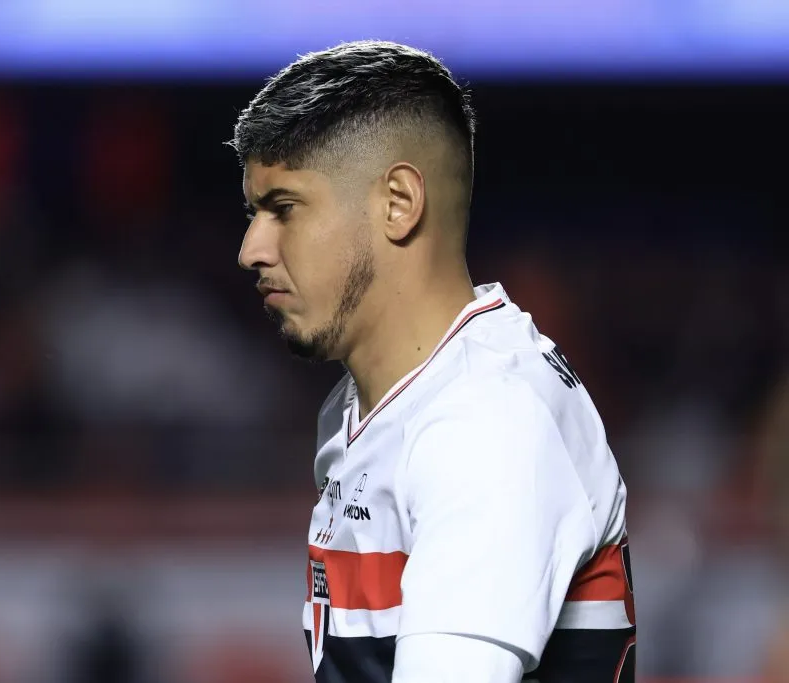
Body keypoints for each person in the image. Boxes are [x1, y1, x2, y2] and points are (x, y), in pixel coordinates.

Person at [229, 41, 635, 683]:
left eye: (284, 208)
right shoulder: (379, 402)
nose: (252, 248)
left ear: (398, 202)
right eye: (254, 213)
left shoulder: (484, 424)